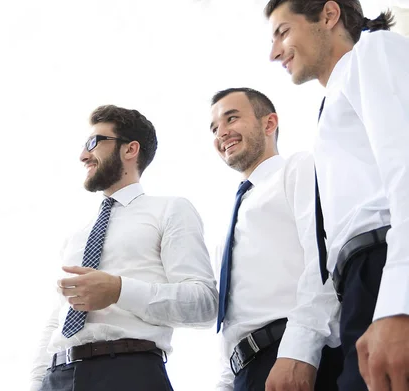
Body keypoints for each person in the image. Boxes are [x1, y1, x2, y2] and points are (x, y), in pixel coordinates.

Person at [266, 1, 409, 390]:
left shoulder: (375, 53)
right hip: (359, 291)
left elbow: (406, 173)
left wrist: (399, 304)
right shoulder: (329, 119)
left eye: (282, 32)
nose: (274, 52)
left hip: (386, 271)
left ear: (328, 15)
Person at [29, 104, 218, 391]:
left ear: (130, 150)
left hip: (129, 373)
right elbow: (57, 318)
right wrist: (37, 383)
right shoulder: (77, 235)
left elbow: (203, 304)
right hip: (58, 378)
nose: (83, 155)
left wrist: (119, 290)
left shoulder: (170, 210)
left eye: (93, 143)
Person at [210, 88, 342, 391]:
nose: (222, 133)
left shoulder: (299, 168)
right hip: (246, 371)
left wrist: (300, 350)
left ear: (269, 124)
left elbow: (322, 261)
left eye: (232, 118)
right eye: (215, 128)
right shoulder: (230, 221)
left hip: (292, 356)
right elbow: (233, 314)